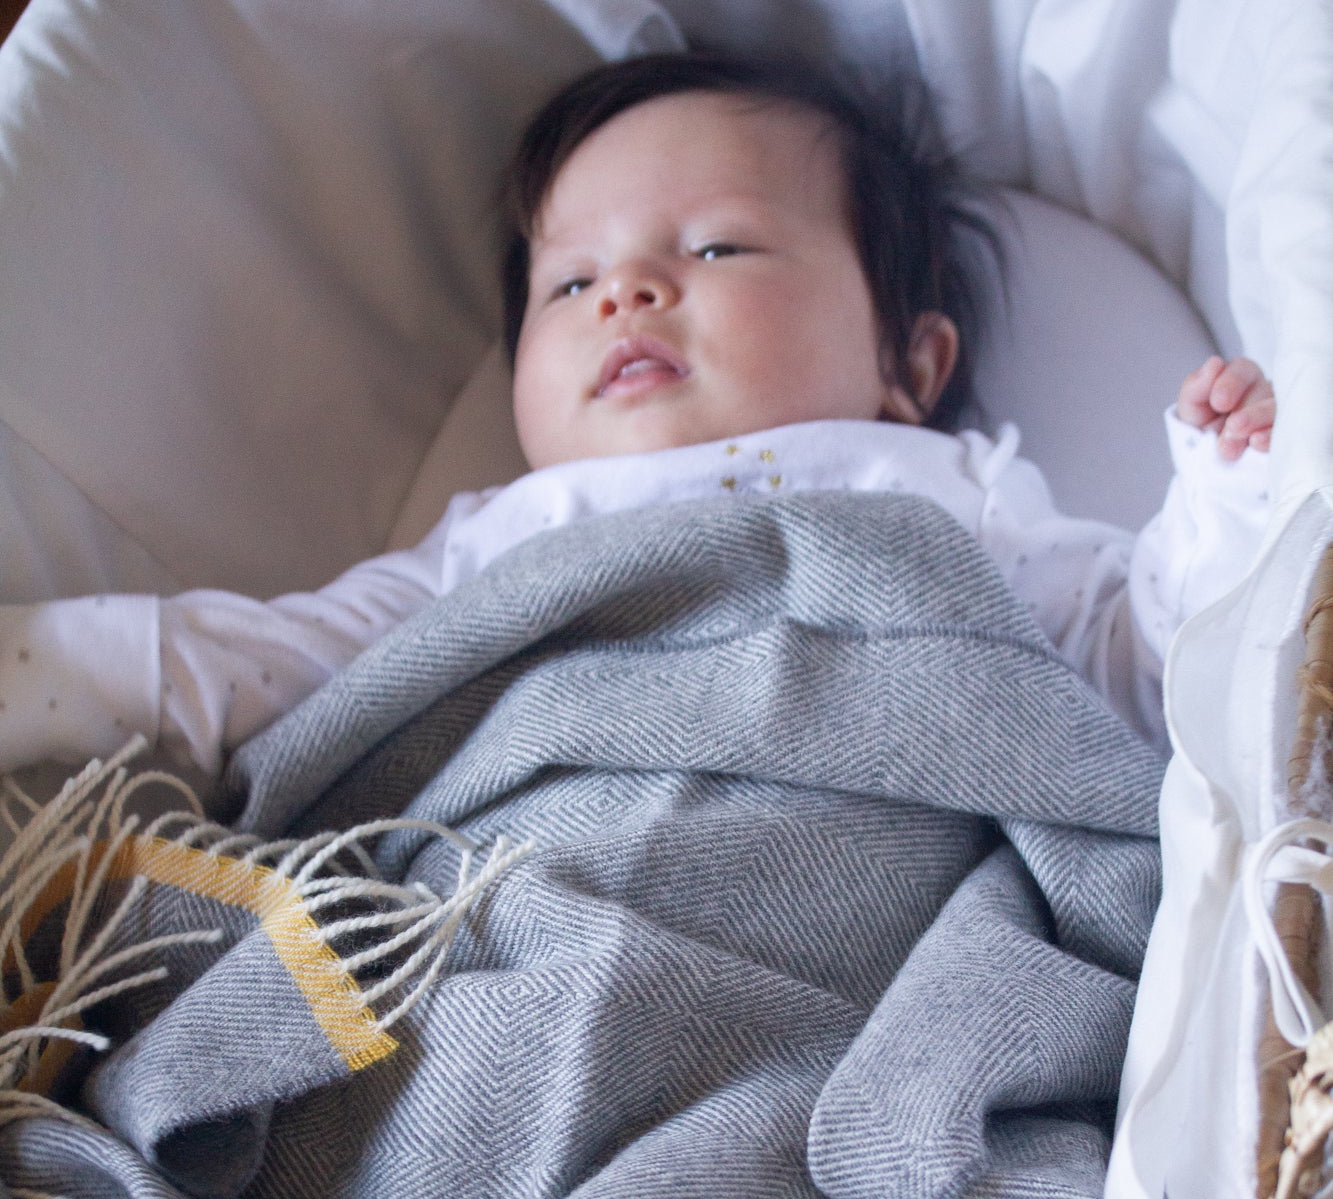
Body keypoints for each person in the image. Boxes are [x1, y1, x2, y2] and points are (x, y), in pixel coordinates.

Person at [0, 52, 1276, 778]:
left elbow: (1144, 667)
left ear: (908, 359)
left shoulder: (943, 490)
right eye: (569, 283)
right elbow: (271, 669)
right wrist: (41, 668)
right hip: (528, 899)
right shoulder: (501, 538)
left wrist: (1227, 491)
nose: (627, 291)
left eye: (716, 250)